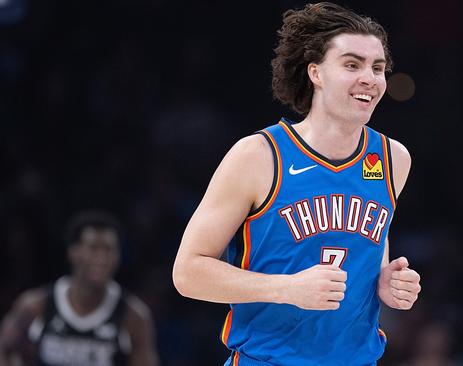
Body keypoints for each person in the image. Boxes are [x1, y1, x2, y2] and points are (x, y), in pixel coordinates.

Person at [172, 2, 421, 365]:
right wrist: (285, 288)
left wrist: (382, 278)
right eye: (352, 65)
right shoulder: (259, 155)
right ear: (316, 73)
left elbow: (369, 235)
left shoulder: (393, 158)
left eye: (378, 67)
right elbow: (188, 272)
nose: (370, 77)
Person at [0, 210, 159, 366]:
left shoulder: (134, 317)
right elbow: (3, 351)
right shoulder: (36, 306)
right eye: (93, 248)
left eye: (108, 249)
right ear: (73, 252)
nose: (101, 258)